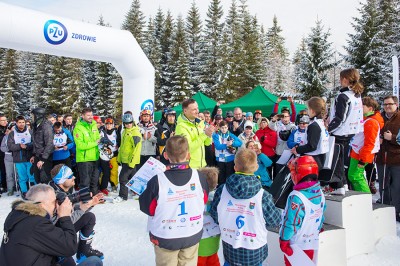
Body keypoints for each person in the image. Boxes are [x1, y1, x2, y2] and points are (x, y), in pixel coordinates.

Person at [139, 135, 209, 266]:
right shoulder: (199, 177)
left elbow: (147, 208)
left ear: (166, 155)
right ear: (188, 155)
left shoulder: (156, 181)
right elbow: (203, 200)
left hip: (166, 237)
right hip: (191, 234)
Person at [210, 148, 280, 266]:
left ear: (235, 167)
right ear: (256, 167)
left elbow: (215, 213)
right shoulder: (263, 195)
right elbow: (274, 220)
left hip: (230, 248)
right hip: (255, 251)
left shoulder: (222, 190)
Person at [0, 184, 100, 266]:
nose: (56, 204)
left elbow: (53, 232)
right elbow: (70, 247)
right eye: (53, 201)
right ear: (41, 205)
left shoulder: (21, 215)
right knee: (95, 262)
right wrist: (65, 217)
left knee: (65, 259)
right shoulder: (36, 224)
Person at [49, 164, 104, 263]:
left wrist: (90, 204)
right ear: (62, 180)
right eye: (70, 176)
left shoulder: (63, 189)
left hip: (60, 227)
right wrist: (82, 209)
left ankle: (83, 252)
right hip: (53, 236)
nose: (74, 177)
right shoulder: (54, 196)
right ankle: (58, 253)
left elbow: (73, 210)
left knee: (89, 217)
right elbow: (65, 220)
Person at [279, 156, 326, 266]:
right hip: (311, 241)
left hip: (295, 244)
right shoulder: (319, 193)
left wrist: (284, 240)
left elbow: (291, 221)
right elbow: (321, 213)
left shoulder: (296, 197)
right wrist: (319, 227)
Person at [328, 68, 364, 195]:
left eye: (340, 78)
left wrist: (328, 129)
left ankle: (339, 186)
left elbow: (340, 118)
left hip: (340, 132)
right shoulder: (356, 95)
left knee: (336, 160)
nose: (339, 81)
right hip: (351, 132)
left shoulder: (343, 96)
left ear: (345, 79)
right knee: (342, 160)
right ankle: (343, 183)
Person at [348, 97, 384, 193]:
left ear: (370, 108)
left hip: (361, 154)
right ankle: (362, 197)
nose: (359, 109)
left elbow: (370, 143)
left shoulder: (371, 122)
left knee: (356, 176)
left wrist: (363, 160)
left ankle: (366, 198)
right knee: (352, 175)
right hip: (356, 152)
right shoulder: (366, 119)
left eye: (362, 106)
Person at [375, 95, 400, 221]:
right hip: (382, 157)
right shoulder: (380, 118)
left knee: (396, 186)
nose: (387, 107)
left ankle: (396, 210)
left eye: (390, 104)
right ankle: (385, 208)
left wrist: (393, 138)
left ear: (396, 105)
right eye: (385, 104)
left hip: (396, 158)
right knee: (383, 184)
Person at [291, 97, 329, 172]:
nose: (307, 111)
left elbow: (312, 146)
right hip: (319, 159)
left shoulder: (314, 126)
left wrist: (297, 150)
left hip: (312, 161)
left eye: (308, 109)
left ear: (312, 110)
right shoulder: (321, 123)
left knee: (308, 183)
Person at [175, 99, 214, 169]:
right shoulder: (181, 127)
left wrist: (209, 134)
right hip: (190, 167)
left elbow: (207, 143)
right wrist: (205, 134)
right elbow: (188, 148)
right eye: (194, 109)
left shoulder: (199, 122)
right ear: (185, 111)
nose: (197, 111)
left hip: (202, 165)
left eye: (197, 108)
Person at [113, 113, 142, 203]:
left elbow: (137, 149)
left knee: (122, 178)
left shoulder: (135, 133)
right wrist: (119, 158)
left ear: (132, 122)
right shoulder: (125, 131)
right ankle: (141, 192)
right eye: (126, 123)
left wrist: (132, 161)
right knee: (134, 177)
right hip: (125, 159)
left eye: (129, 122)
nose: (128, 125)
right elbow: (122, 147)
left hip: (130, 160)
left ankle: (122, 196)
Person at [73, 107, 101, 195]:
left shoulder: (93, 124)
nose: (90, 117)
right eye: (88, 115)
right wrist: (95, 143)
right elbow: (80, 145)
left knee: (95, 180)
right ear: (83, 116)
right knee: (85, 182)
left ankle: (95, 197)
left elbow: (97, 138)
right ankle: (85, 199)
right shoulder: (78, 128)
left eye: (91, 115)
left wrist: (100, 141)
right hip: (84, 159)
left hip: (95, 157)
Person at [197, 167, 220, 266]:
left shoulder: (196, 197)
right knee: (213, 260)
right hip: (214, 238)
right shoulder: (218, 197)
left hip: (199, 241)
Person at [8, 116, 36, 198]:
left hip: (29, 158)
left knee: (32, 176)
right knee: (22, 177)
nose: (21, 124)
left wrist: (27, 146)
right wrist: (20, 146)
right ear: (16, 123)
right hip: (19, 159)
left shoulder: (30, 131)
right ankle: (24, 192)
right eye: (19, 122)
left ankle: (35, 192)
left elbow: (34, 144)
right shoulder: (12, 133)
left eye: (23, 122)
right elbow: (10, 146)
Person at [212, 120, 242, 185]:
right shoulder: (216, 135)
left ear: (227, 127)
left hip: (230, 159)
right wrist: (227, 145)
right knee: (221, 176)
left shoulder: (231, 135)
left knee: (229, 175)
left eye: (225, 127)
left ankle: (229, 188)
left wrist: (232, 143)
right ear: (219, 128)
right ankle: (221, 189)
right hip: (220, 159)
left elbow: (240, 143)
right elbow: (218, 146)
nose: (224, 129)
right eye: (222, 128)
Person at [30, 108, 54, 184]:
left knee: (45, 179)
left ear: (38, 116)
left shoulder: (46, 126)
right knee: (37, 178)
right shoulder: (35, 126)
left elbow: (49, 143)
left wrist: (43, 159)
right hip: (38, 156)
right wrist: (34, 155)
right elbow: (35, 142)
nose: (32, 117)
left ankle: (47, 195)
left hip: (45, 157)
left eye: (33, 116)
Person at [269, 108, 296, 175]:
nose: (285, 118)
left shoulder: (293, 126)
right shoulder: (278, 124)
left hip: (289, 152)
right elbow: (272, 127)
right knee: (278, 171)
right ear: (281, 118)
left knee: (287, 171)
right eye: (283, 117)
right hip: (279, 151)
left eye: (286, 116)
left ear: (289, 117)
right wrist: (274, 120)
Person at [99, 118, 119, 194]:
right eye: (107, 124)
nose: (109, 126)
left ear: (113, 124)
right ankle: (103, 186)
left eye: (110, 124)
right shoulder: (102, 132)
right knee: (105, 171)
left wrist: (118, 145)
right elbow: (99, 142)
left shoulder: (116, 132)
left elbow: (119, 140)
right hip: (105, 154)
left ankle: (114, 184)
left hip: (114, 153)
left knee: (114, 170)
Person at [0, 123, 15, 196]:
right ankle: (10, 189)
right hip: (8, 158)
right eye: (12, 128)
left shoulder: (19, 136)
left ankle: (18, 187)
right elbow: (2, 147)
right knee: (9, 174)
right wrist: (8, 149)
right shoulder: (6, 137)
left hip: (18, 157)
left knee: (19, 174)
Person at [0, 114, 7, 192]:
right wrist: (4, 135)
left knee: (4, 170)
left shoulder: (6, 128)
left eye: (5, 120)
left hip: (5, 153)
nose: (5, 121)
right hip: (1, 153)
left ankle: (4, 185)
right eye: (3, 120)